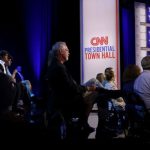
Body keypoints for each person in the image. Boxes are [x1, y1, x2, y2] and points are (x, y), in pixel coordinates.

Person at [45, 41, 96, 139]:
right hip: (68, 100)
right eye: (67, 50)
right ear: (61, 51)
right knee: (96, 93)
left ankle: (83, 123)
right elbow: (71, 88)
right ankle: (82, 123)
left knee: (94, 82)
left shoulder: (56, 65)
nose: (69, 52)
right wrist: (87, 88)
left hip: (65, 96)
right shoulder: (59, 67)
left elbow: (70, 85)